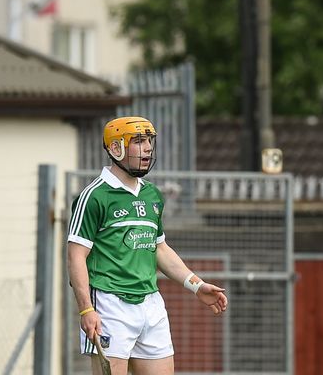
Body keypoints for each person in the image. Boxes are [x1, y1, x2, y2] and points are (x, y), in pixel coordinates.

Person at [67, 116, 228, 375]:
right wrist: (86, 309)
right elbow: (76, 257)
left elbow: (160, 249)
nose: (148, 148)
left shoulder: (152, 195)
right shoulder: (94, 196)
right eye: (139, 141)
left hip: (151, 304)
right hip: (110, 305)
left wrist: (196, 285)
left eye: (149, 141)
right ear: (115, 147)